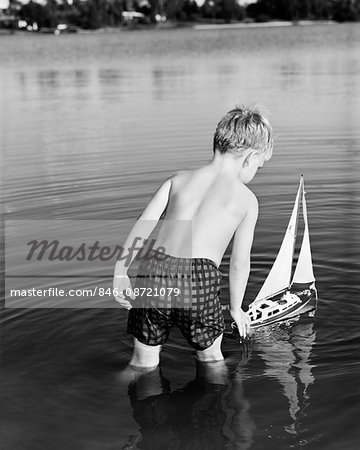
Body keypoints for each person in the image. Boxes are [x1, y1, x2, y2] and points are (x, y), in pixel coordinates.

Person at [113, 105, 273, 368]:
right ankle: (219, 402)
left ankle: (119, 394)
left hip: (154, 268)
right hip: (198, 278)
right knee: (211, 360)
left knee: (142, 362)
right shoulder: (246, 200)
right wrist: (235, 309)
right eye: (259, 166)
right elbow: (240, 263)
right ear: (250, 157)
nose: (255, 173)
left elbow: (143, 226)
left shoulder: (177, 180)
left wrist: (121, 273)